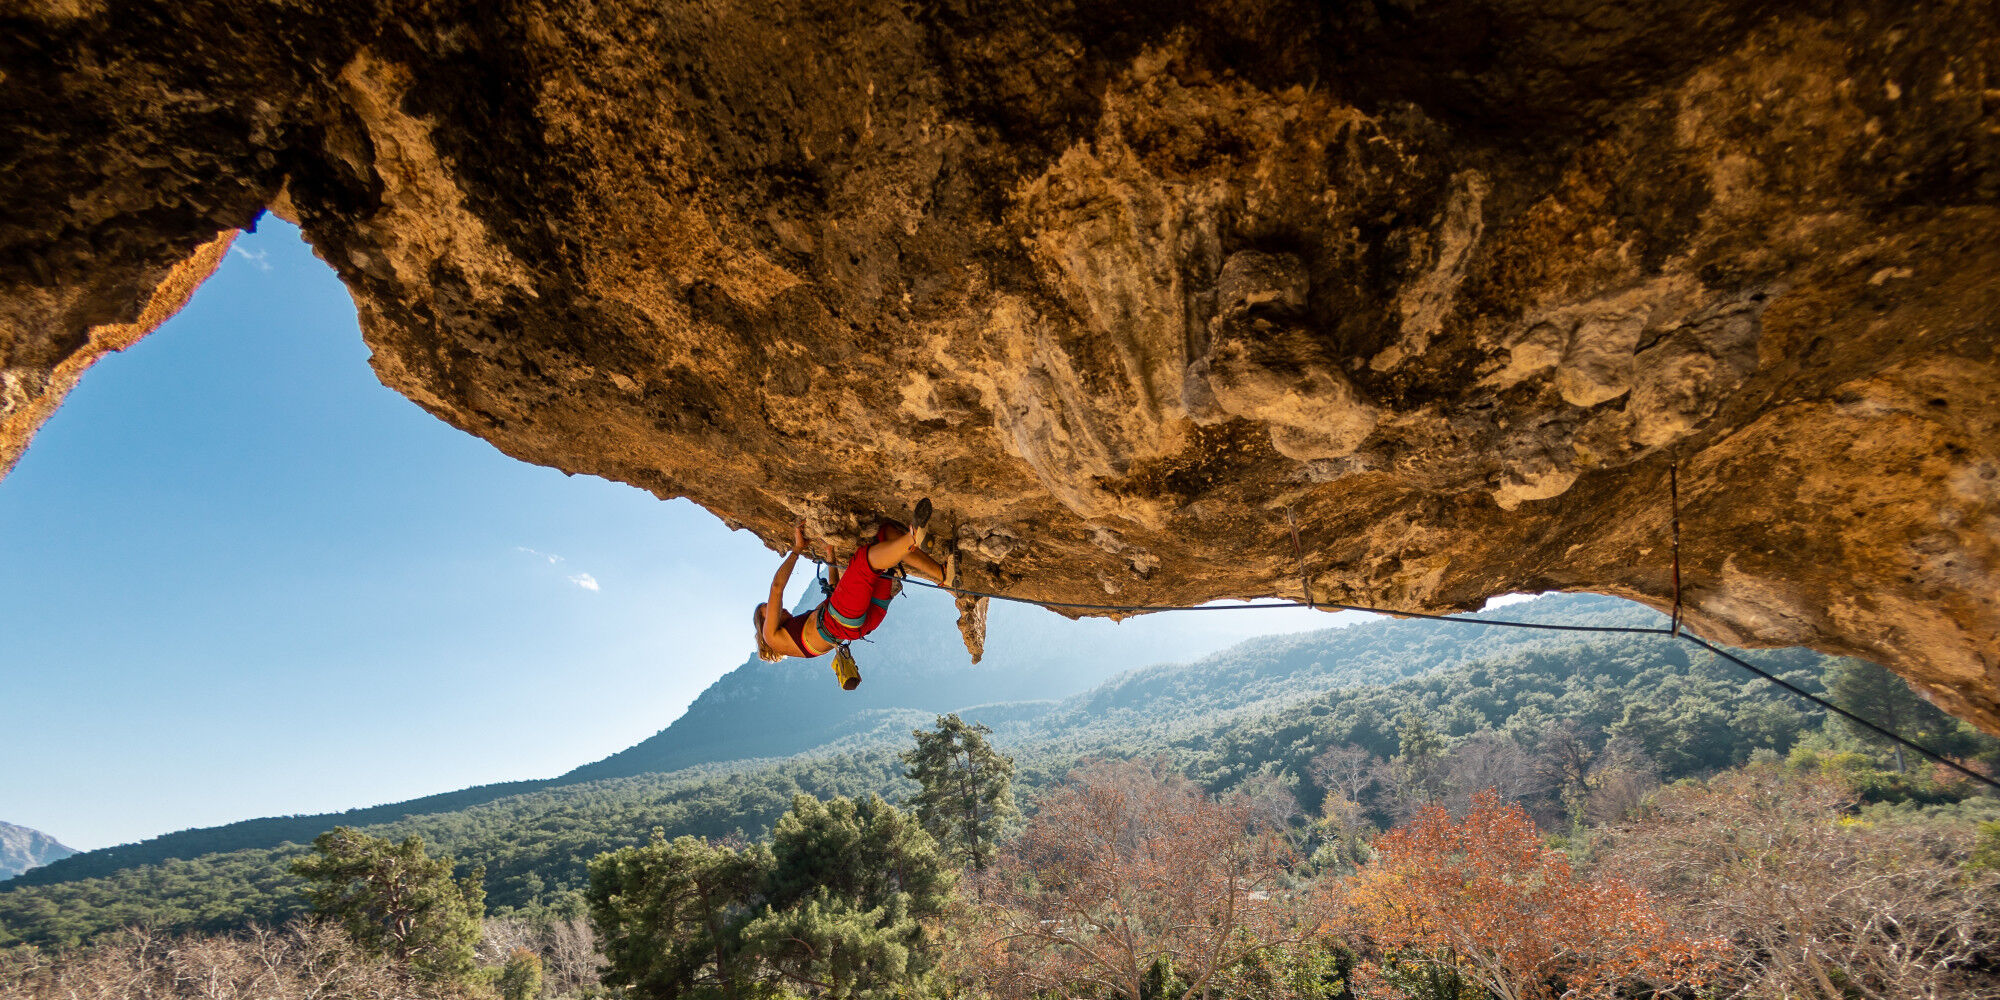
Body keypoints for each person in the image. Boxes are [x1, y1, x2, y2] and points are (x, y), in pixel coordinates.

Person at [753, 499, 951, 670]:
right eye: (767, 610)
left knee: (885, 535)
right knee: (863, 561)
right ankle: (914, 536)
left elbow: (836, 596)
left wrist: (830, 554)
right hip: (843, 620)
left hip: (859, 622)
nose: (774, 607)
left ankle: (942, 575)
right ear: (763, 624)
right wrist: (796, 549)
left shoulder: (798, 631)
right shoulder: (771, 637)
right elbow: (777, 587)